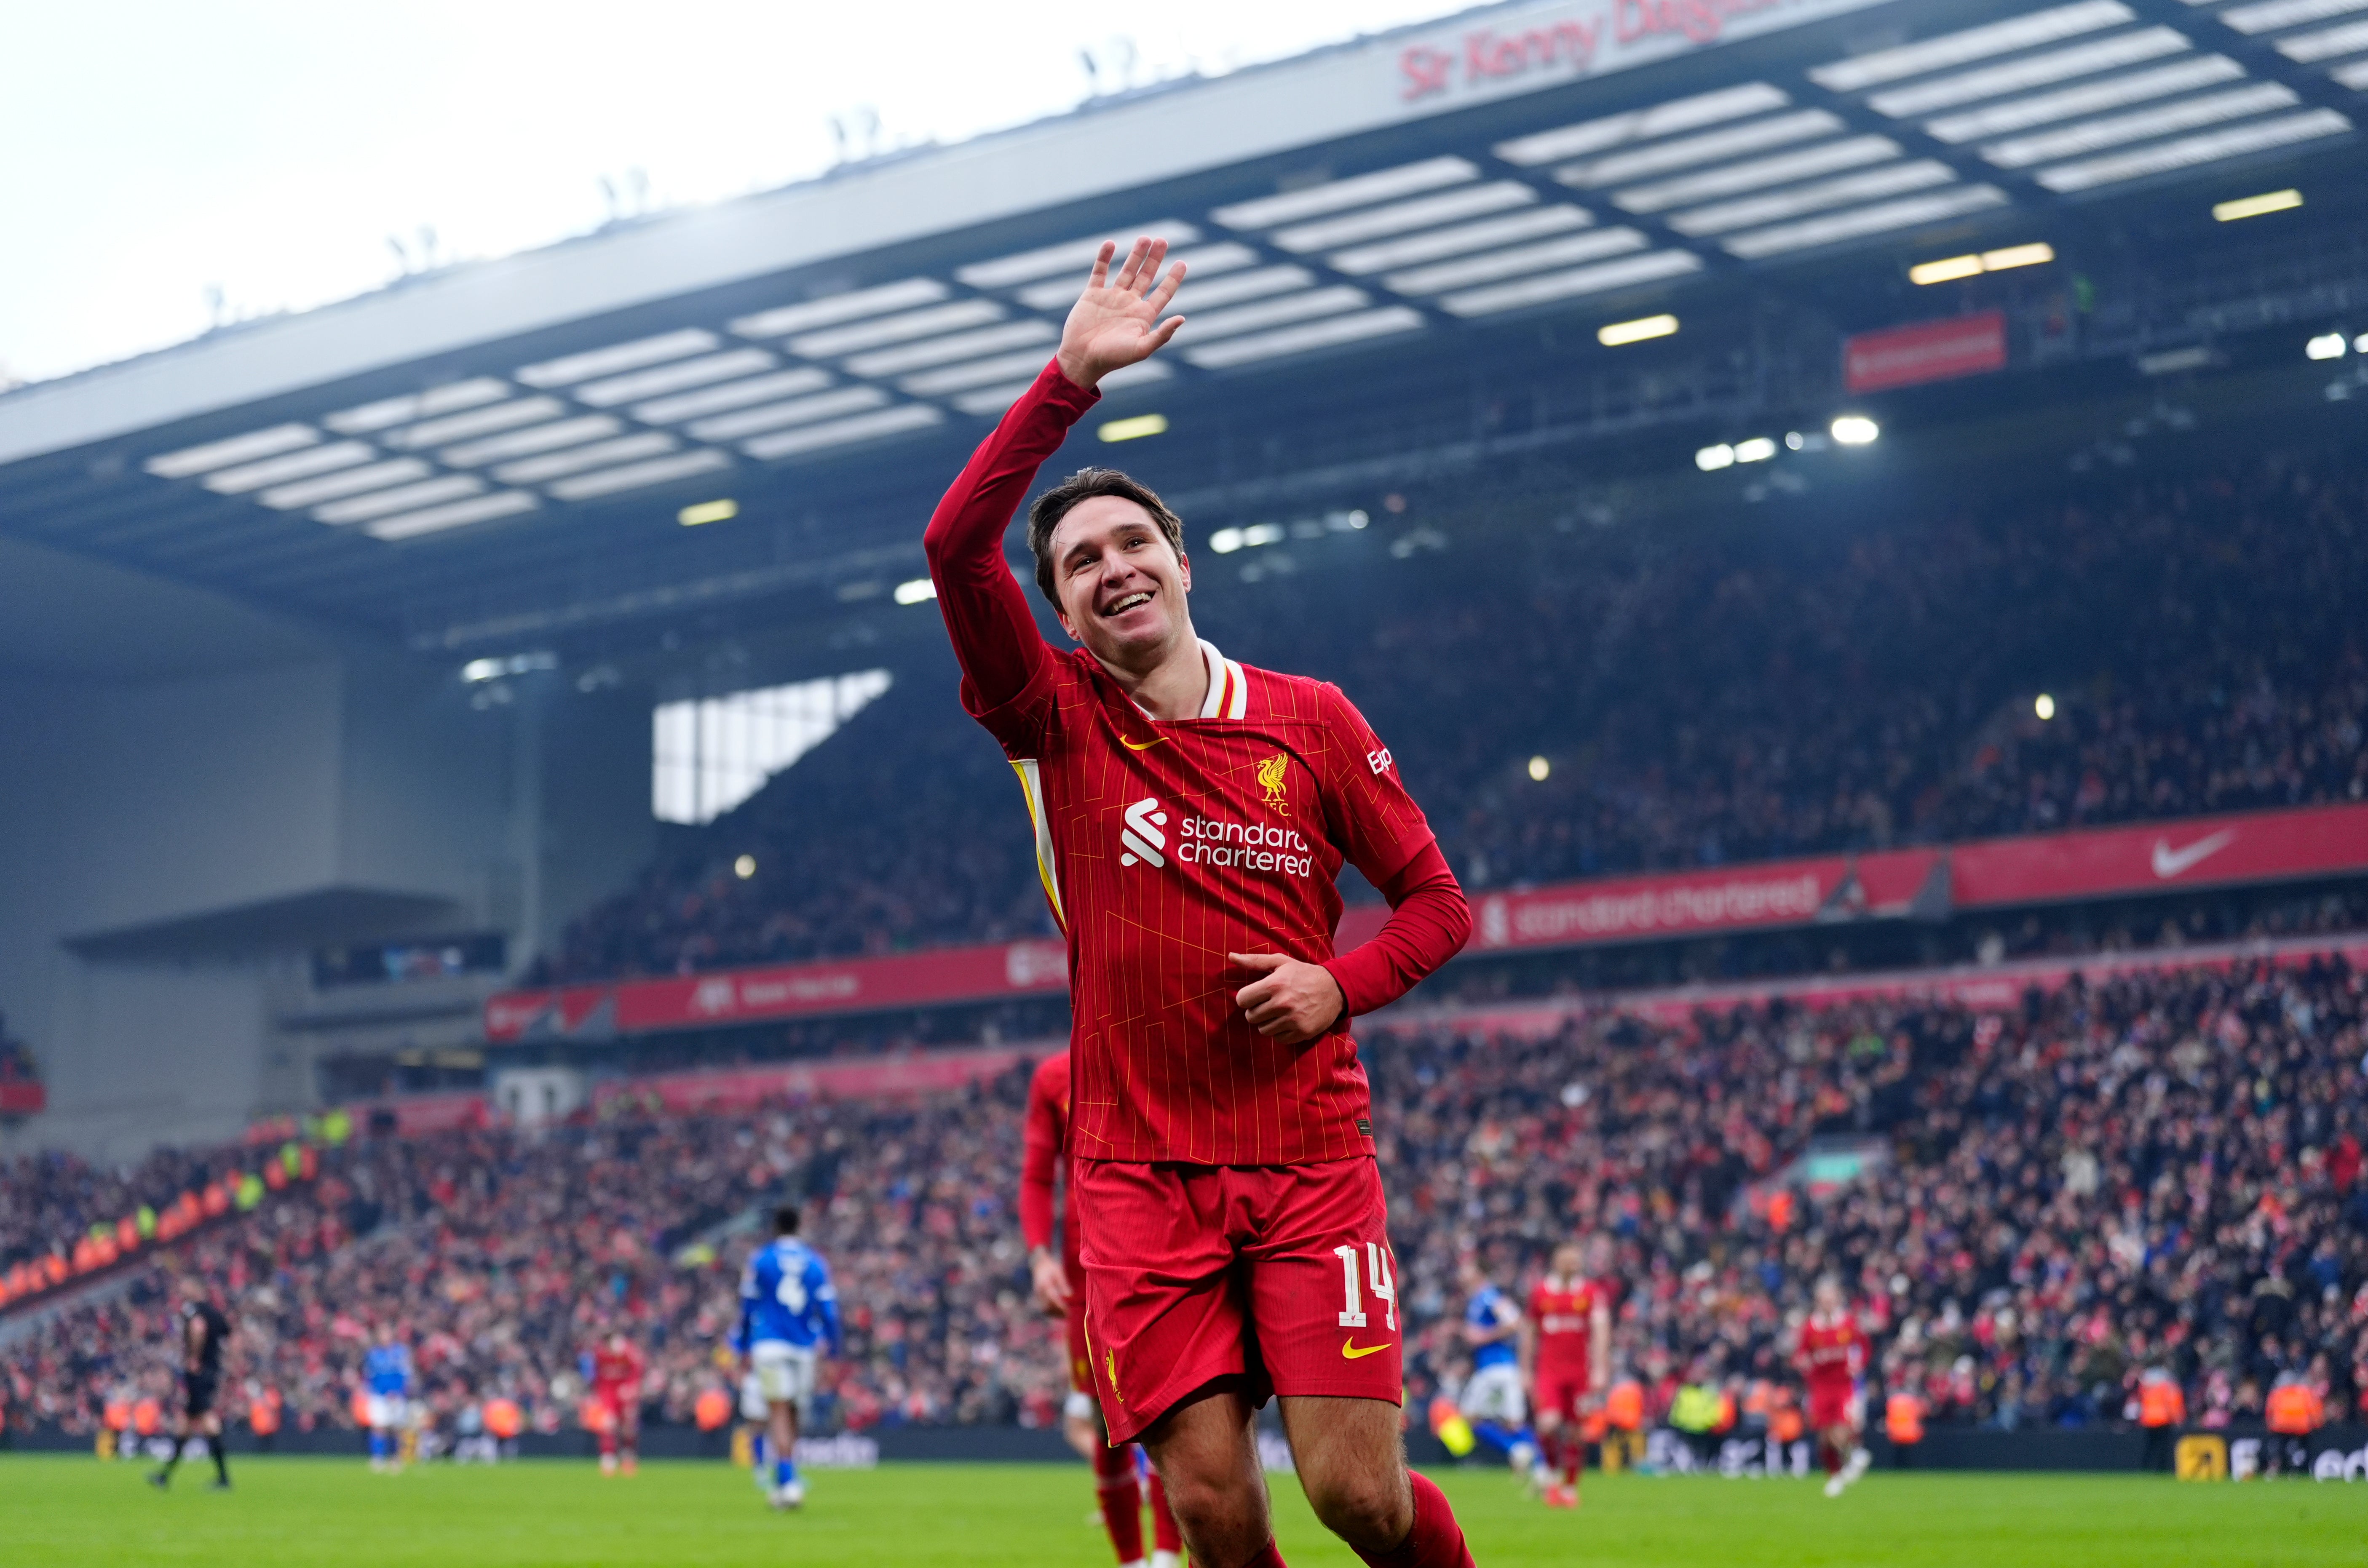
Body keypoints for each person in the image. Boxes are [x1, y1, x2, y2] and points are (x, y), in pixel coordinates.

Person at [924, 236, 1476, 1568]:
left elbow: (1436, 904)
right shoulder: (1051, 717)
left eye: (1131, 543)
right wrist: (1065, 381)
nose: (1111, 567)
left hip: (1306, 1161)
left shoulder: (1311, 720)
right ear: (1057, 604)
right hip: (1135, 1173)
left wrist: (1339, 984)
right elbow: (952, 543)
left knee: (1359, 1498)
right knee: (1216, 1511)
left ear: (1182, 561)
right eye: (1078, 561)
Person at [1024, 1049, 1184, 1568]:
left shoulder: (1159, 1051)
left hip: (1161, 1259)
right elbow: (1036, 1176)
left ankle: (1165, 1557)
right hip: (1083, 1279)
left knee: (1169, 1414)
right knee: (1106, 1424)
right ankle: (1133, 1562)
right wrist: (1038, 1257)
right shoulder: (1054, 1077)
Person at [734, 1204, 842, 1510]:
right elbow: (830, 1312)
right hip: (804, 1346)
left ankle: (788, 1480)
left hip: (769, 1345)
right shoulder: (816, 1263)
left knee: (779, 1411)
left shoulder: (762, 1259)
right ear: (799, 1226)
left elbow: (747, 1307)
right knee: (793, 1412)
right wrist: (834, 1351)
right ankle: (787, 1482)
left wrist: (742, 1346)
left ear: (775, 1227)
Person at [1520, 1242, 1610, 1508]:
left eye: (1576, 1261)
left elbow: (1601, 1332)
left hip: (1580, 1373)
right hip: (1548, 1372)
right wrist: (1525, 1370)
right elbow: (1529, 1333)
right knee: (1548, 1424)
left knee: (1575, 1432)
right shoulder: (1540, 1294)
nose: (1573, 1265)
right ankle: (1551, 1474)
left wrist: (1600, 1369)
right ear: (1556, 1262)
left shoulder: (1591, 1293)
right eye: (1568, 1260)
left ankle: (1570, 1488)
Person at [1454, 1258, 1539, 1485]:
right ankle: (1536, 1463)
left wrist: (1483, 1336)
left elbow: (1515, 1322)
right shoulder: (1476, 1299)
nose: (1462, 1273)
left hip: (1496, 1369)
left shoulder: (1488, 1296)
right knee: (1511, 1423)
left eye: (1467, 1268)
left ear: (1479, 1274)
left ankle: (1522, 1452)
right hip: (1494, 1369)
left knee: (1471, 1417)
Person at [147, 1280, 232, 1491]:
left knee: (207, 1419)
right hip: (211, 1370)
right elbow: (226, 1333)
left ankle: (224, 1479)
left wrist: (194, 1357)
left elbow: (197, 1328)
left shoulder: (192, 1310)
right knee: (186, 1424)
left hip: (199, 1372)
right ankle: (165, 1475)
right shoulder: (215, 1312)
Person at [1795, 1277, 1870, 1498]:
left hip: (1843, 1385)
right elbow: (1802, 1353)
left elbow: (1864, 1347)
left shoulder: (1848, 1323)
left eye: (1831, 1299)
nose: (1827, 1304)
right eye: (1823, 1300)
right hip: (1820, 1386)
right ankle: (1836, 1474)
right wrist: (1804, 1363)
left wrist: (1859, 1364)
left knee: (1841, 1429)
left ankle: (1855, 1453)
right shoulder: (1811, 1326)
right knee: (1823, 1436)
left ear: (1837, 1300)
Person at [587, 1325, 647, 1477]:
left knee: (628, 1427)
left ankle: (628, 1458)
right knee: (608, 1424)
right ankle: (608, 1459)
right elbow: (597, 1375)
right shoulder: (600, 1353)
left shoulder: (628, 1351)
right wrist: (597, 1394)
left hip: (625, 1393)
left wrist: (632, 1387)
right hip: (608, 1394)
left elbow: (637, 1370)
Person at [361, 1323, 415, 1474]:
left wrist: (398, 1392)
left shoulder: (401, 1352)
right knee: (379, 1427)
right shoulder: (373, 1354)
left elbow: (406, 1375)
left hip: (397, 1397)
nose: (384, 1337)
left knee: (396, 1428)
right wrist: (373, 1392)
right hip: (379, 1396)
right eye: (381, 1334)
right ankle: (378, 1459)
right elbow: (370, 1377)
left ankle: (396, 1458)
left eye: (386, 1334)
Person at [2135, 1364, 2186, 1472]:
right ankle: (2161, 1470)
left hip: (2149, 1420)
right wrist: (2178, 1418)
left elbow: (2141, 1403)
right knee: (2162, 1448)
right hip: (2163, 1420)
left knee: (2150, 1448)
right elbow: (2173, 1403)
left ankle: (2146, 1470)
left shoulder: (2146, 1387)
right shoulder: (2168, 1387)